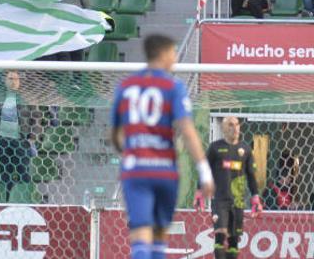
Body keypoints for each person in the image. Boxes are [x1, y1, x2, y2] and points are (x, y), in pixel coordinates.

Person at [110, 34, 214, 259]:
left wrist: (132, 153)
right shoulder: (173, 86)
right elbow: (187, 130)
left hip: (136, 170)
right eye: (174, 53)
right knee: (158, 236)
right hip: (164, 170)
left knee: (140, 234)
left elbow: (116, 134)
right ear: (165, 53)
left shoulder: (126, 86)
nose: (175, 58)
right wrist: (204, 172)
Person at [197, 116, 261, 259]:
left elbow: (251, 175)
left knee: (233, 241)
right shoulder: (215, 148)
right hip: (219, 200)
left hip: (238, 201)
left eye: (237, 124)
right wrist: (199, 191)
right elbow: (204, 169)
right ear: (224, 129)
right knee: (220, 234)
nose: (235, 128)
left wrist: (255, 197)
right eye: (231, 125)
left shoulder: (245, 149)